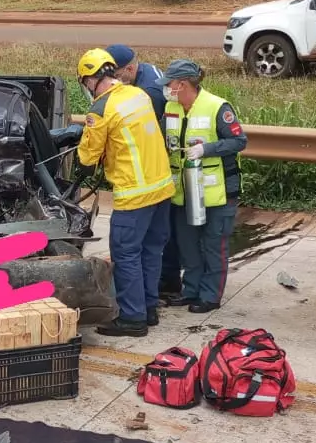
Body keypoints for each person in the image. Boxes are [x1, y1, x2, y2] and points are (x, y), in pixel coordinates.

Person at [72, 48, 175, 338]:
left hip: (135, 192)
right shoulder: (138, 95)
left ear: (91, 80)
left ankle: (132, 318)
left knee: (126, 253)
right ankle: (149, 308)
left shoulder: (100, 110)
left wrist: (82, 165)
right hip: (162, 187)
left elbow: (88, 157)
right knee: (151, 251)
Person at [158, 60, 248, 313]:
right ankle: (191, 291)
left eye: (169, 84)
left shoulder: (217, 107)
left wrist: (206, 149)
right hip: (183, 192)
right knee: (188, 246)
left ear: (182, 84)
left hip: (216, 193)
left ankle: (210, 296)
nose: (166, 88)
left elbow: (239, 141)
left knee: (213, 246)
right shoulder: (171, 107)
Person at [104, 44, 183, 302]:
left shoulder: (147, 91)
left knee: (136, 248)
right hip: (158, 176)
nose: (113, 81)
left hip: (146, 175)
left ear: (129, 68)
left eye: (115, 74)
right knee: (154, 244)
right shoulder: (145, 73)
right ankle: (151, 301)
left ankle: (152, 296)